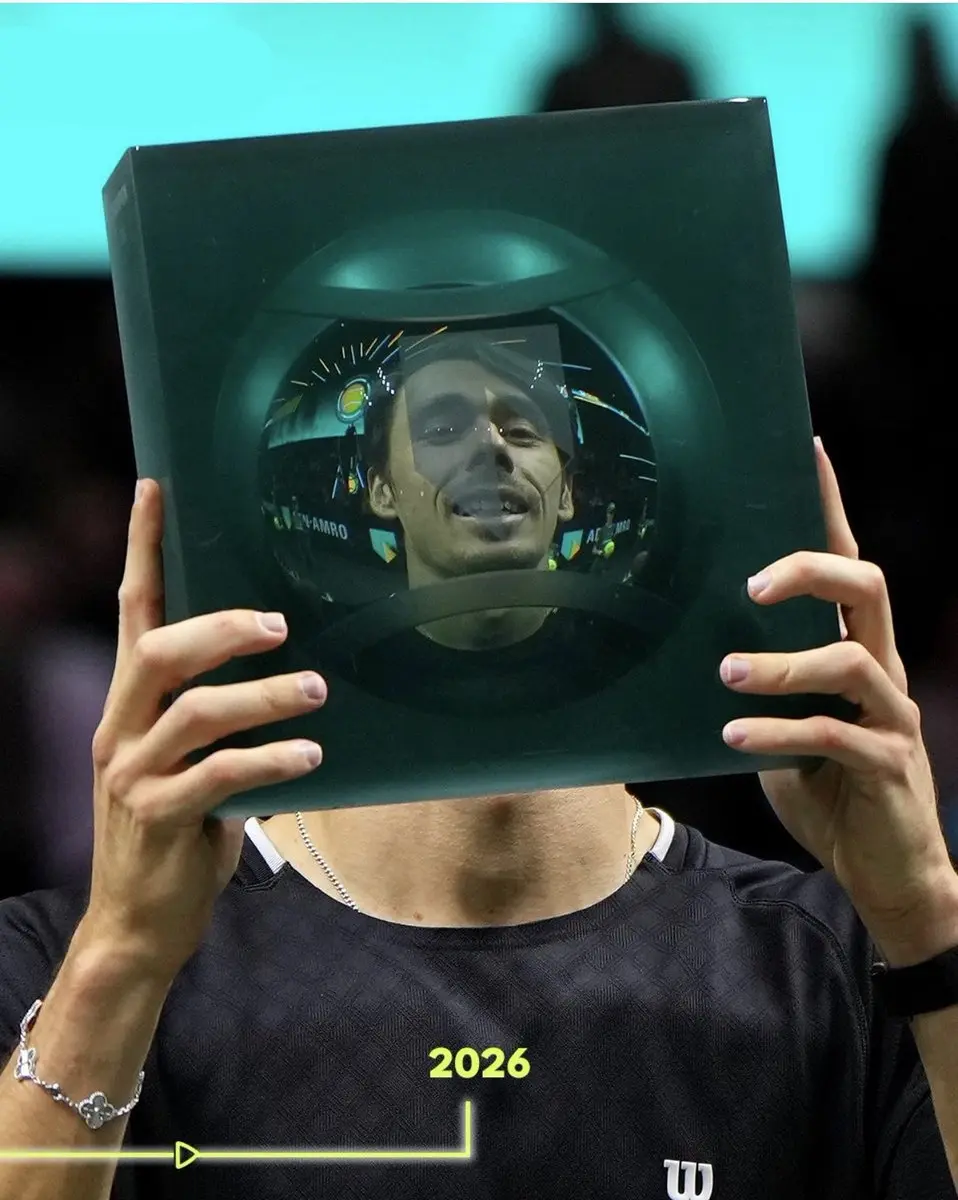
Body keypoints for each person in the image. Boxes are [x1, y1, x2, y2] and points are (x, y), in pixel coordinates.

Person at [0, 440, 957, 1200]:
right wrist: (122, 954)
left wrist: (924, 911)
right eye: (444, 422)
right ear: (378, 490)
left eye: (524, 421)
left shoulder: (837, 967)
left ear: (573, 488)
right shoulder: (70, 967)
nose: (490, 449)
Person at [363, 331, 576, 651]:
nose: (490, 443)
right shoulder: (313, 660)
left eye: (521, 431)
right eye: (443, 430)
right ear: (382, 491)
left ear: (566, 493)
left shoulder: (635, 646)